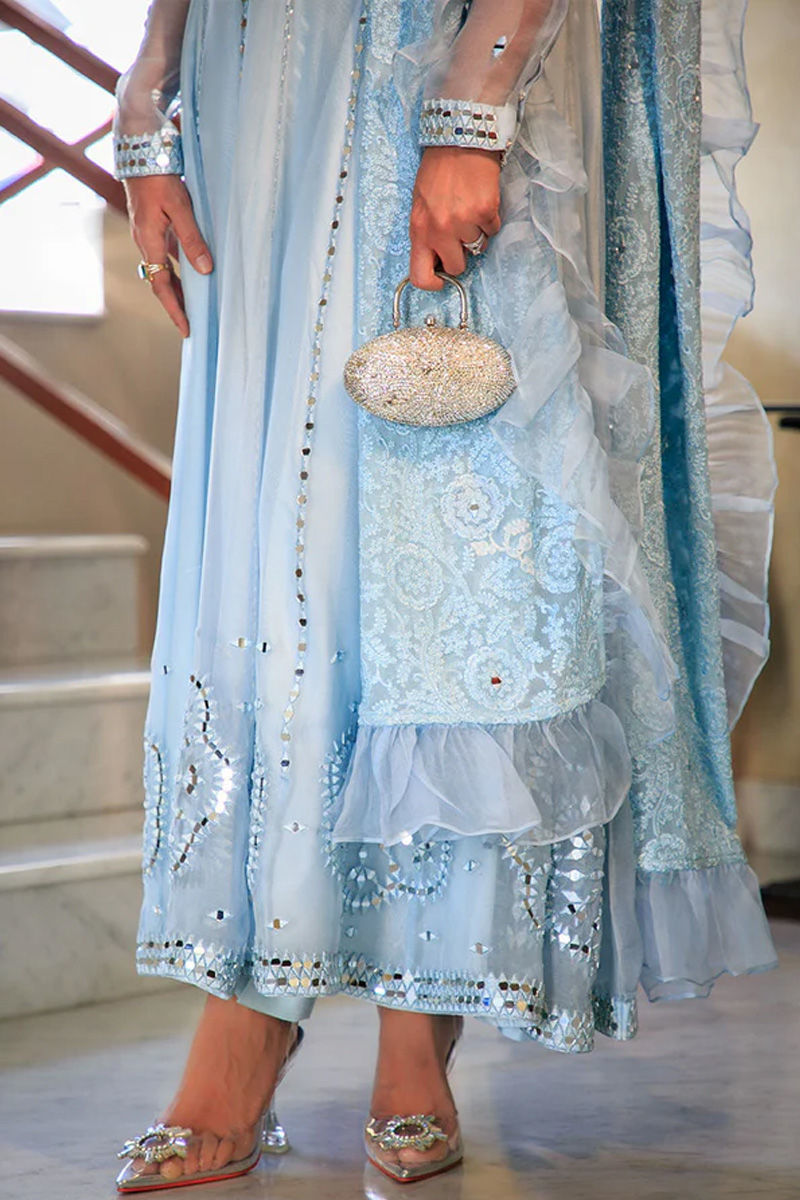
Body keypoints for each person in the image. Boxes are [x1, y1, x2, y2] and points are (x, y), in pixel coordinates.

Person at [112, 0, 778, 1190]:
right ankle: (248, 1000)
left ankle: (423, 1007)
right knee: (269, 534)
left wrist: (473, 101)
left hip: (431, 47)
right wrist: (146, 90)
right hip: (246, 68)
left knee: (453, 532)